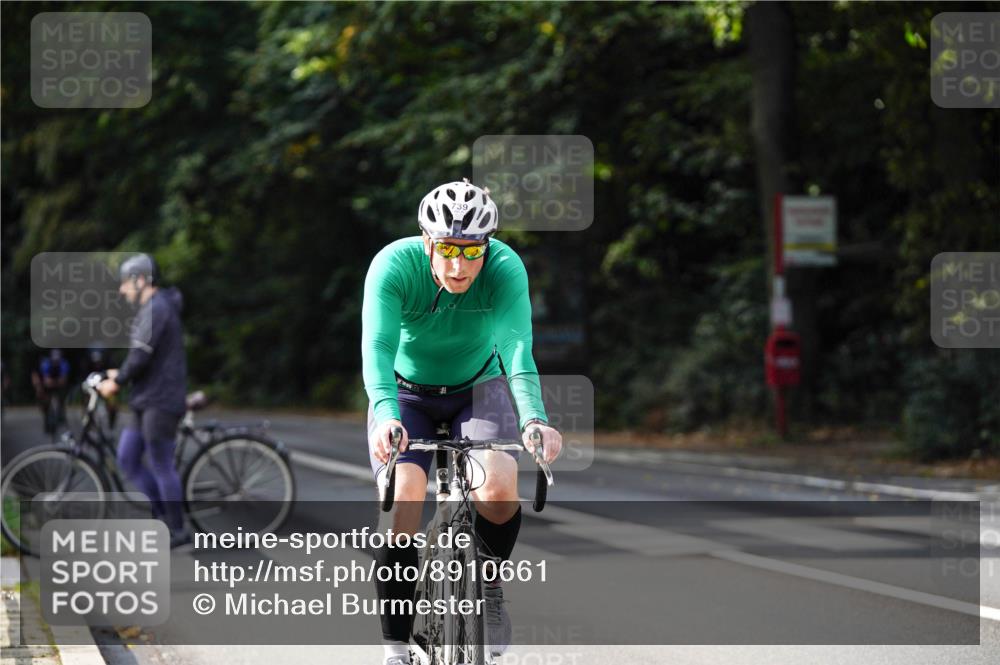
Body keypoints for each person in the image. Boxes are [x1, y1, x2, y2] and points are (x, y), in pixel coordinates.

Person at [362, 178, 563, 665]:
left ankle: (488, 588)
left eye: (472, 251)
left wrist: (535, 419)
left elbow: (517, 349)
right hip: (406, 394)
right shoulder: (393, 265)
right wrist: (386, 416)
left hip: (479, 387)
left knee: (498, 486)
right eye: (448, 249)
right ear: (427, 241)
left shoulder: (504, 267)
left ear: (487, 246)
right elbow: (378, 347)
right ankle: (395, 646)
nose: (460, 264)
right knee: (403, 499)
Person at [97, 254, 190, 547]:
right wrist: (119, 374)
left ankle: (177, 529)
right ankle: (161, 516)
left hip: (161, 399)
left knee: (162, 464)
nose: (122, 290)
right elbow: (142, 357)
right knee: (127, 457)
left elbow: (140, 356)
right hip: (146, 397)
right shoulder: (151, 309)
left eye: (125, 283)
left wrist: (117, 382)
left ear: (140, 280)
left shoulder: (157, 308)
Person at [31, 348, 70, 435]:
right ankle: (46, 418)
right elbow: (46, 381)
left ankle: (61, 413)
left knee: (61, 397)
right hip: (46, 384)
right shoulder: (46, 364)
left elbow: (63, 380)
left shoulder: (64, 364)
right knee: (44, 401)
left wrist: (56, 383)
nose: (56, 362)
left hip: (57, 384)